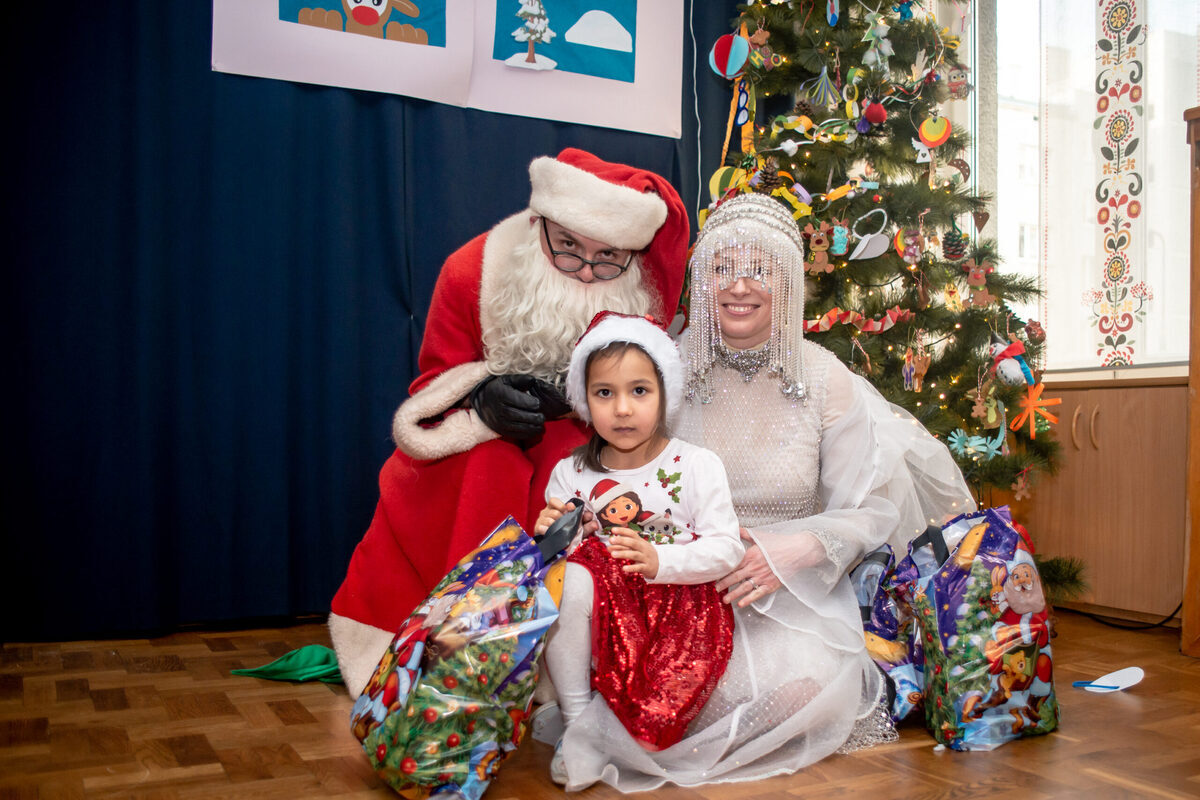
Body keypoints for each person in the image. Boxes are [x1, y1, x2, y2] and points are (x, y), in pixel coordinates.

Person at [553, 192, 975, 791]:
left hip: (786, 591)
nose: (739, 286)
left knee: (805, 694)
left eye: (760, 269)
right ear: (703, 280)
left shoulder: (825, 378)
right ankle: (607, 728)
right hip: (672, 581)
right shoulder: (664, 369)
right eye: (723, 268)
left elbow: (870, 508)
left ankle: (630, 733)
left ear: (789, 281)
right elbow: (622, 473)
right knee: (640, 673)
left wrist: (799, 549)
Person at [329, 150, 689, 697]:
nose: (586, 270)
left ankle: (566, 667)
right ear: (541, 224)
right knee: (488, 467)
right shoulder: (471, 270)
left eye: (607, 258)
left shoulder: (639, 288)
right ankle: (457, 649)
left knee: (584, 477)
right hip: (476, 445)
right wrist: (480, 394)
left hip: (588, 438)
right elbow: (433, 384)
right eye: (568, 247)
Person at [534, 312, 744, 781]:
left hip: (680, 611)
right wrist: (553, 534)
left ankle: (619, 721)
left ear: (665, 394)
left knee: (649, 740)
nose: (623, 409)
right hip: (604, 608)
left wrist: (659, 560)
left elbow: (727, 549)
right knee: (572, 571)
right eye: (604, 393)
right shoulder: (572, 472)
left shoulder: (696, 464)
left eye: (640, 391)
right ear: (584, 400)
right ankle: (578, 726)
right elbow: (558, 573)